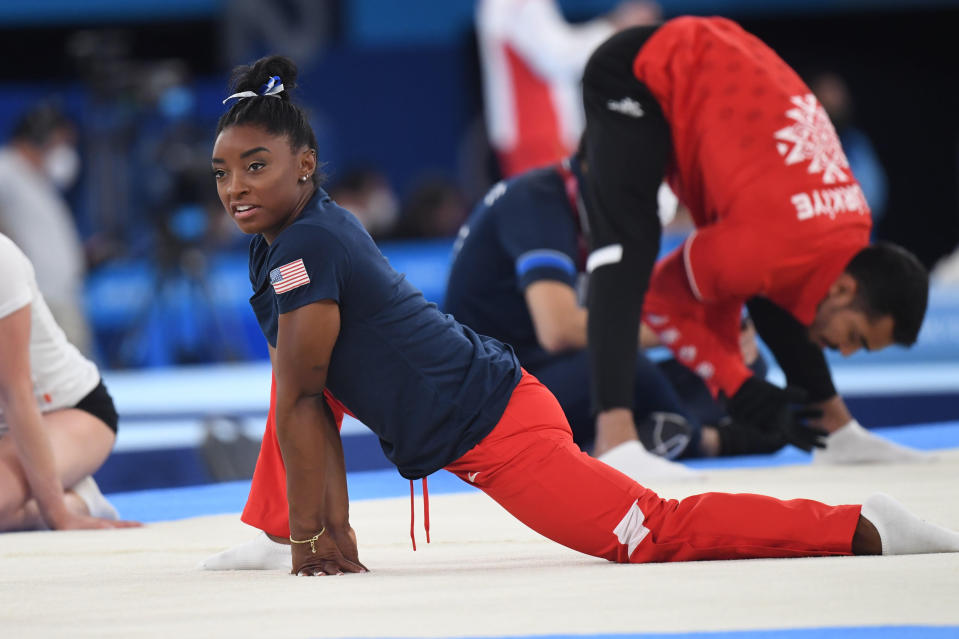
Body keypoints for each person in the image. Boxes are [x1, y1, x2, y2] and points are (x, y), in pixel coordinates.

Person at [201, 56, 959, 574]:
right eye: (222, 172)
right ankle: (273, 528)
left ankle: (857, 524)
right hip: (488, 393)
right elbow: (306, 391)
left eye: (255, 165)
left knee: (651, 530)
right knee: (301, 369)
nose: (233, 187)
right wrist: (312, 533)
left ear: (305, 165)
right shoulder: (293, 238)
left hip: (502, 427)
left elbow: (305, 397)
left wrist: (318, 540)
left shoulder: (305, 242)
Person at [579, 17, 932, 466]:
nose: (844, 352)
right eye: (856, 339)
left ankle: (836, 432)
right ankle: (616, 440)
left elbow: (755, 282)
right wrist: (736, 383)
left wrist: (737, 381)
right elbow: (661, 298)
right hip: (636, 70)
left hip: (717, 66)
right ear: (847, 288)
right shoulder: (768, 244)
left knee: (786, 288)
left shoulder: (848, 225)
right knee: (625, 250)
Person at [443, 155, 784, 477]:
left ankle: (653, 434)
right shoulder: (537, 201)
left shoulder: (596, 207)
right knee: (626, 367)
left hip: (550, 375)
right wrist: (689, 326)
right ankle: (707, 441)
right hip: (491, 395)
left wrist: (713, 331)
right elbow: (559, 330)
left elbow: (631, 316)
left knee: (736, 362)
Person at [0, 233, 139, 532]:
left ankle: (80, 499)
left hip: (66, 410)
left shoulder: (2, 259)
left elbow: (16, 393)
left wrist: (58, 516)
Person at [476, 0, 660, 178]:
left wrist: (613, 27)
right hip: (539, 134)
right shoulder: (521, 4)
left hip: (533, 135)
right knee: (554, 206)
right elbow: (556, 57)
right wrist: (615, 29)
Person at [0, 103, 92, 355]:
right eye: (61, 143)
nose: (65, 152)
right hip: (40, 298)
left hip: (61, 296)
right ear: (40, 138)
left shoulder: (39, 180)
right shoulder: (7, 168)